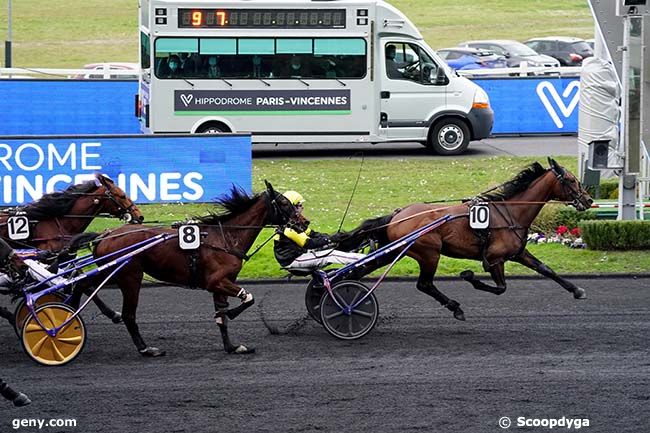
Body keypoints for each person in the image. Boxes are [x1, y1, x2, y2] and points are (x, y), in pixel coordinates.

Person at [273, 191, 365, 272]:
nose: (302, 208)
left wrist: (331, 238)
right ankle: (363, 260)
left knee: (332, 247)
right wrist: (329, 239)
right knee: (330, 254)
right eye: (300, 205)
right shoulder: (288, 228)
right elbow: (309, 243)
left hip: (299, 254)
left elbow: (312, 234)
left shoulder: (293, 222)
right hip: (294, 260)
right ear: (293, 207)